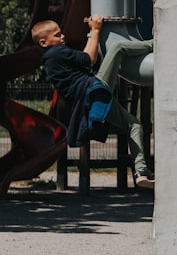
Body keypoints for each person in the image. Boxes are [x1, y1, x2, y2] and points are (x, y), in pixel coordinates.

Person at [32, 16, 155, 189]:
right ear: (44, 43)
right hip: (93, 90)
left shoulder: (52, 61)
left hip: (92, 102)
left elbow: (84, 62)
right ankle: (156, 44)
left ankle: (141, 170)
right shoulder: (56, 52)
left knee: (134, 125)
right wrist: (95, 30)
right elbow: (89, 58)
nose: (62, 37)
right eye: (57, 35)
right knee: (117, 48)